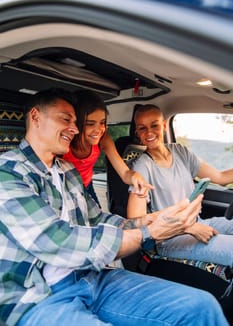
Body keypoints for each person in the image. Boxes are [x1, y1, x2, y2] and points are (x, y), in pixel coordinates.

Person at [0, 89, 228, 326]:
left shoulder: (68, 172)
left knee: (201, 306)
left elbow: (98, 219)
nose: (76, 130)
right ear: (35, 117)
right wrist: (149, 233)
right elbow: (57, 240)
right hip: (39, 295)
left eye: (76, 122)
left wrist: (151, 219)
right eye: (66, 119)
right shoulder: (8, 173)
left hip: (91, 276)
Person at [127, 104, 233, 266]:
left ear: (163, 126)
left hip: (199, 223)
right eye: (142, 128)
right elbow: (135, 219)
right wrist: (187, 227)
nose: (149, 133)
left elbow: (220, 177)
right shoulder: (142, 166)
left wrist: (194, 225)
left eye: (154, 125)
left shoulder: (180, 152)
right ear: (137, 133)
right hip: (169, 238)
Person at [63, 91, 151, 207]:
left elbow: (124, 173)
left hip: (87, 186)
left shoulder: (103, 139)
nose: (98, 129)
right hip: (64, 189)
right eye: (90, 124)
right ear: (77, 123)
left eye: (102, 122)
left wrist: (134, 176)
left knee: (97, 220)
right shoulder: (64, 143)